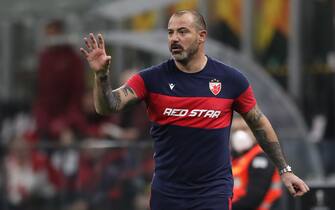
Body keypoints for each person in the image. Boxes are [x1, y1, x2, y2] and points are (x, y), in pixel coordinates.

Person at [80, 10, 309, 210]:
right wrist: (101, 76)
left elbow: (258, 123)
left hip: (213, 192)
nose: (174, 39)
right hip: (167, 193)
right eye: (170, 33)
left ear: (202, 37)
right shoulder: (151, 79)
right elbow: (107, 106)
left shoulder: (230, 80)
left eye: (182, 32)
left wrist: (285, 169)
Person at [231, 117, 282, 210]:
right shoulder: (234, 158)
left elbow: (253, 198)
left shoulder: (261, 159)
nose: (239, 134)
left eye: (244, 129)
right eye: (235, 130)